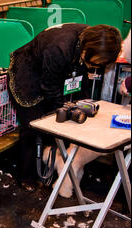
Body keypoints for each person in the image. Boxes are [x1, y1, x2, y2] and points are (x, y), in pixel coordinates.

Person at [8, 23, 122, 192]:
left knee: (62, 117)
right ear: (88, 51)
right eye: (96, 63)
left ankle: (55, 165)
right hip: (27, 74)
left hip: (54, 73)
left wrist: (82, 104)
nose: (96, 67)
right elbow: (50, 87)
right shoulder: (59, 47)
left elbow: (79, 80)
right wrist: (64, 107)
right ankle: (27, 175)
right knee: (33, 126)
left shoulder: (89, 39)